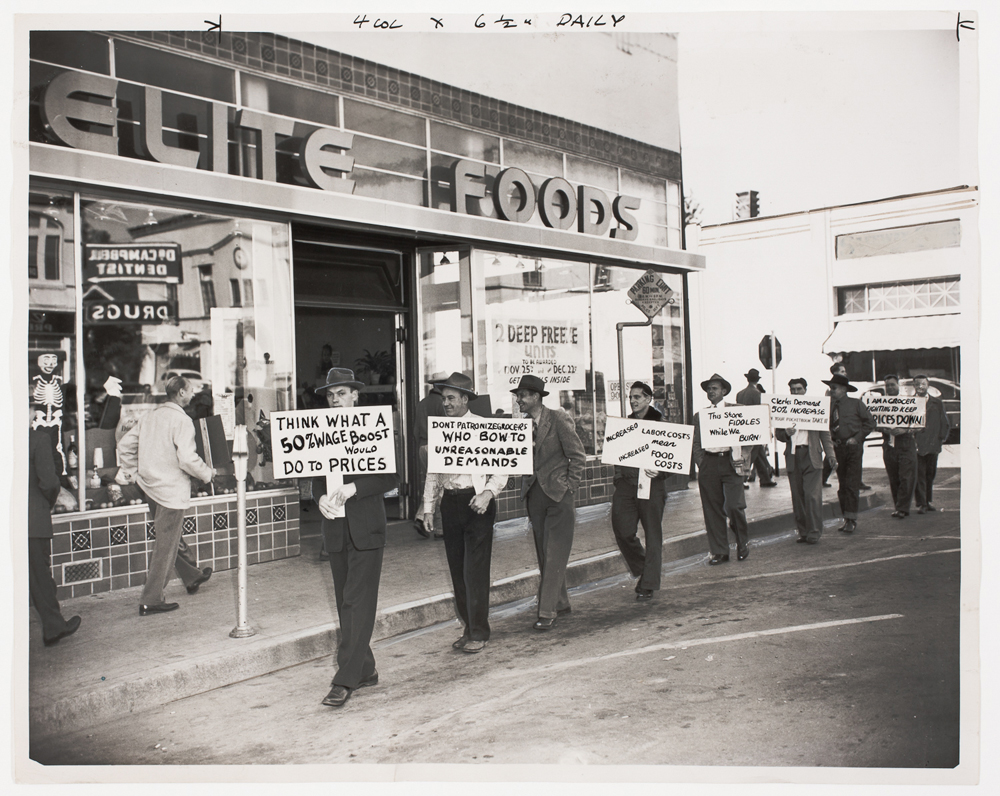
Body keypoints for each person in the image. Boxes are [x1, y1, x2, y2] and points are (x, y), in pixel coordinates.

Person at [314, 368, 397, 708]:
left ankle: (345, 678)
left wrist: (354, 487)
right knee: (345, 602)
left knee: (355, 603)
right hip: (335, 528)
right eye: (331, 395)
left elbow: (391, 477)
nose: (335, 400)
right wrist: (318, 495)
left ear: (355, 396)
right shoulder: (320, 431)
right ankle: (365, 668)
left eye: (342, 393)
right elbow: (315, 473)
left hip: (366, 529)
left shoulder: (375, 428)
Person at [422, 373, 507, 653]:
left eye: (450, 398)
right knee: (457, 570)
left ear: (465, 399)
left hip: (477, 502)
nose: (445, 403)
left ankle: (480, 632)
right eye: (443, 398)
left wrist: (488, 493)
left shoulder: (484, 428)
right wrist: (428, 507)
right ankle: (469, 627)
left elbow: (503, 466)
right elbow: (433, 473)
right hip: (451, 503)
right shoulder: (440, 431)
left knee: (475, 570)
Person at [117, 377, 215, 615]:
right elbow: (187, 458)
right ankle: (151, 599)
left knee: (169, 536)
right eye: (190, 392)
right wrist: (207, 474)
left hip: (150, 487)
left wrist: (134, 472)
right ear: (181, 393)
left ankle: (191, 576)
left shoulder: (150, 417)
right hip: (170, 490)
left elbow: (124, 446)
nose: (192, 396)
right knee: (166, 544)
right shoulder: (182, 420)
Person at [513, 375, 586, 631]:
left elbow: (578, 455)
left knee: (555, 552)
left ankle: (546, 611)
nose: (518, 400)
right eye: (517, 395)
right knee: (545, 553)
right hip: (535, 497)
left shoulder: (558, 418)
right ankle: (561, 601)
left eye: (522, 395)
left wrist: (569, 488)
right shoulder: (521, 426)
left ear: (535, 397)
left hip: (558, 495)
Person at [29, 409, 82, 646]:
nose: (35, 413)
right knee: (40, 576)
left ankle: (53, 627)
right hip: (33, 518)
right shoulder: (38, 439)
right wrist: (47, 503)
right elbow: (50, 483)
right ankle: (53, 627)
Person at [610, 382, 666, 601]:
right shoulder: (626, 424)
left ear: (648, 399)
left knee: (653, 533)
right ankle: (646, 567)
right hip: (626, 484)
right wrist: (618, 478)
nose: (632, 401)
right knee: (622, 530)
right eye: (631, 397)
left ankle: (648, 583)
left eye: (637, 397)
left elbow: (675, 457)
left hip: (652, 485)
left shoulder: (661, 423)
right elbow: (616, 452)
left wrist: (660, 472)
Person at [692, 373, 751, 564]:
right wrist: (702, 462)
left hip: (730, 462)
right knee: (712, 509)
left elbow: (751, 435)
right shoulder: (700, 416)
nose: (711, 391)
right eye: (709, 389)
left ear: (724, 391)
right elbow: (696, 442)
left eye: (715, 388)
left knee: (734, 505)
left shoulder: (737, 411)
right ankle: (720, 551)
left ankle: (742, 542)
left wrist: (744, 458)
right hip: (710, 463)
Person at [774, 379, 836, 544]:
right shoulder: (784, 408)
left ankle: (814, 531)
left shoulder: (815, 407)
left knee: (812, 496)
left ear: (805, 390)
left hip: (811, 455)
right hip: (793, 456)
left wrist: (831, 455)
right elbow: (778, 435)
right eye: (793, 389)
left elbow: (825, 434)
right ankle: (803, 532)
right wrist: (786, 433)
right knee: (798, 496)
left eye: (799, 389)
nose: (796, 392)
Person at [823, 373, 876, 534]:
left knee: (852, 483)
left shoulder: (856, 404)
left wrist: (857, 438)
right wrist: (830, 440)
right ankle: (846, 517)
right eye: (830, 388)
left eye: (835, 388)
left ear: (844, 389)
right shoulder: (829, 406)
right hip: (838, 448)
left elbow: (870, 423)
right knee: (843, 485)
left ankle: (851, 519)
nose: (831, 391)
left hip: (852, 448)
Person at [413, 372, 447, 538]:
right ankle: (440, 528)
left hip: (422, 447)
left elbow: (415, 431)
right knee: (440, 486)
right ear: (439, 385)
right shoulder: (443, 403)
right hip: (437, 448)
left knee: (432, 483)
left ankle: (421, 517)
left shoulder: (421, 404)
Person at [880, 374, 918, 519]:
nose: (889, 387)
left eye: (892, 384)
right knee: (893, 477)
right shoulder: (881, 403)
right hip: (889, 445)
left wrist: (905, 430)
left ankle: (903, 507)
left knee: (906, 477)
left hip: (905, 443)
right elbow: (874, 422)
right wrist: (883, 428)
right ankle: (898, 506)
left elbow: (918, 423)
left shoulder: (908, 402)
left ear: (898, 385)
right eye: (887, 385)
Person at [913, 374, 951, 514]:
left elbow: (944, 422)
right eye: (917, 384)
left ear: (928, 385)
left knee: (930, 473)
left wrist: (941, 438)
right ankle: (922, 503)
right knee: (920, 474)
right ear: (914, 386)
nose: (920, 386)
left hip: (933, 445)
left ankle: (927, 501)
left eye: (923, 384)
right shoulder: (910, 403)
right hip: (917, 445)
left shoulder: (937, 403)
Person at [736, 368, 776, 488]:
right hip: (756, 427)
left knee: (758, 453)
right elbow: (762, 412)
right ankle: (742, 478)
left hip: (743, 427)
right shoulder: (757, 393)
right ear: (757, 380)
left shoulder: (740, 393)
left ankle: (765, 478)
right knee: (752, 454)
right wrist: (767, 429)